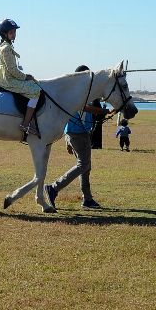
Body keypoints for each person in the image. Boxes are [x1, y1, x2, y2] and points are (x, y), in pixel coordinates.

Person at [45, 65, 106, 209]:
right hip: (79, 134)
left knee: (85, 167)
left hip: (76, 133)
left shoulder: (74, 91)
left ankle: (87, 199)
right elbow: (83, 107)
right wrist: (102, 110)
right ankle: (54, 188)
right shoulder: (79, 92)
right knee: (83, 165)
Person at [0, 18, 43, 137]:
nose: (14, 34)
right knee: (35, 91)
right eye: (11, 32)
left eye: (14, 32)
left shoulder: (6, 46)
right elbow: (13, 70)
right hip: (7, 79)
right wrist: (26, 77)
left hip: (6, 76)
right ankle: (25, 124)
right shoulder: (6, 48)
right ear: (4, 34)